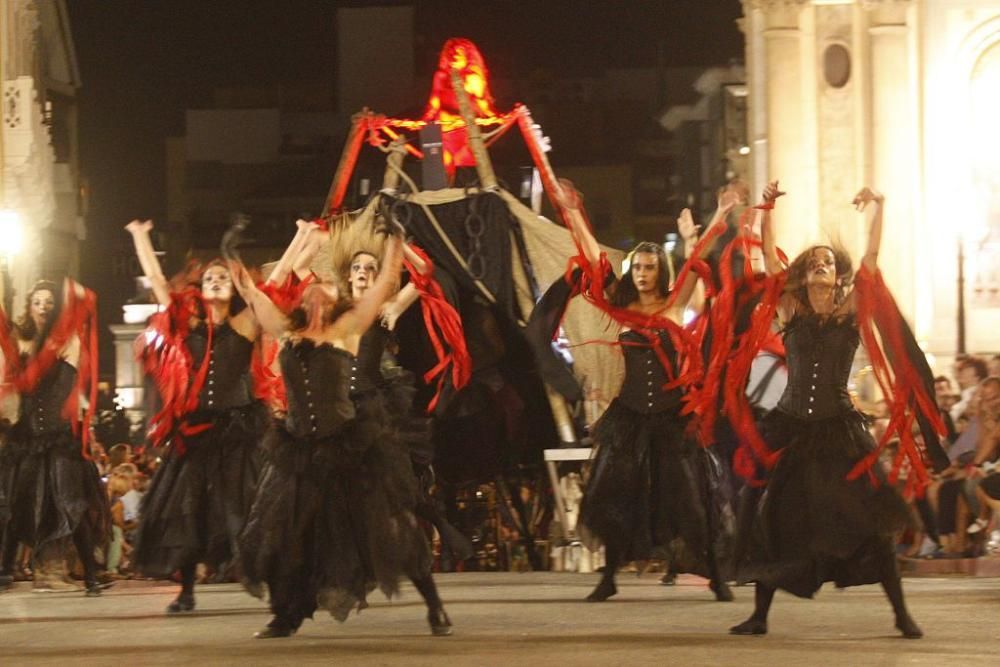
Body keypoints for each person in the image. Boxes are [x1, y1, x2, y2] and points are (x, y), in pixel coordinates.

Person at [232, 233, 452, 639]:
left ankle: (434, 606)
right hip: (298, 450)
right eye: (310, 290)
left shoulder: (347, 329)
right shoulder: (288, 332)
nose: (316, 293)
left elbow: (386, 283)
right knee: (286, 536)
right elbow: (256, 297)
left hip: (349, 448)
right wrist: (236, 264)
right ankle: (286, 615)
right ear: (301, 301)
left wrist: (393, 244)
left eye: (323, 291)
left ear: (333, 301)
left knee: (389, 530)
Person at [729, 182, 923, 639]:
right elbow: (771, 268)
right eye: (813, 261)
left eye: (828, 262)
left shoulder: (851, 311)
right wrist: (767, 208)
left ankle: (901, 613)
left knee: (870, 519)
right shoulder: (789, 309)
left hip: (839, 430)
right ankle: (759, 616)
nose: (820, 264)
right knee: (771, 513)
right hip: (791, 427)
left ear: (838, 277)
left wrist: (880, 206)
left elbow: (871, 262)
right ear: (804, 273)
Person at [563, 182, 738, 603]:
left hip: (670, 417)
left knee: (690, 502)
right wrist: (573, 214)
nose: (642, 274)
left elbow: (696, 262)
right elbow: (593, 255)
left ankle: (715, 574)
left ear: (660, 271)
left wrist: (719, 216)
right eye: (637, 267)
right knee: (611, 496)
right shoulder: (621, 309)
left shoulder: (673, 305)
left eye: (648, 267)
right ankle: (608, 578)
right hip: (628, 416)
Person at [126, 219, 270, 613]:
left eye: (223, 277)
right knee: (187, 511)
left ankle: (264, 576)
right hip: (194, 431)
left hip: (237, 429)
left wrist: (238, 265)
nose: (216, 281)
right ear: (200, 289)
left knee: (247, 508)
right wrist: (140, 237)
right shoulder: (185, 322)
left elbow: (269, 291)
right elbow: (156, 279)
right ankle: (187, 590)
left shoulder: (246, 322)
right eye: (210, 278)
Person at [0, 279, 109, 596]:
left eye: (49, 301)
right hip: (28, 438)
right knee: (17, 502)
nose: (43, 306)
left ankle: (90, 574)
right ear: (29, 306)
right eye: (37, 301)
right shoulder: (19, 344)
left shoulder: (68, 341)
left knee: (70, 505)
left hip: (60, 437)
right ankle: (5, 569)